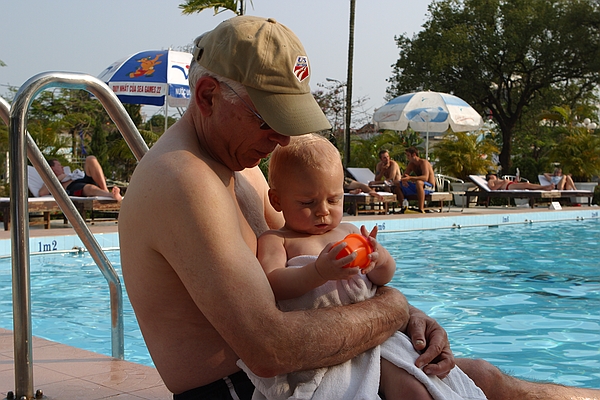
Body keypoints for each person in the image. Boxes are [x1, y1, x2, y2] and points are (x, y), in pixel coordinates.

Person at [118, 15, 600, 400]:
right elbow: (269, 348)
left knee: (484, 380)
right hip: (248, 389)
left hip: (306, 373)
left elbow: (306, 257)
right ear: (207, 96)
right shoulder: (182, 178)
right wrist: (392, 308)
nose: (283, 138)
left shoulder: (239, 162)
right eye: (269, 119)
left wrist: (412, 316)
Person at [244, 133, 486, 400]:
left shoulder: (348, 231)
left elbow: (384, 278)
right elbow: (272, 284)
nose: (323, 211)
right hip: (324, 345)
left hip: (378, 339)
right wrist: (318, 272)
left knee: (416, 391)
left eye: (333, 200)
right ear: (277, 201)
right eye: (307, 203)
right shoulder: (277, 240)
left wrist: (379, 258)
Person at [38, 155, 122, 201]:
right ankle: (110, 195)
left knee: (91, 159)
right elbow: (42, 193)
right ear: (52, 168)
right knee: (89, 187)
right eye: (59, 165)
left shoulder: (68, 174)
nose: (62, 167)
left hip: (81, 179)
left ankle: (105, 189)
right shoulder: (49, 180)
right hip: (72, 187)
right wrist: (58, 179)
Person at [396, 147, 436, 211]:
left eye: (408, 155)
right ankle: (404, 207)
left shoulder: (423, 162)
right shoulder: (411, 164)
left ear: (414, 155)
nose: (407, 157)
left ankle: (421, 208)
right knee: (398, 184)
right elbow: (404, 176)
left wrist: (410, 178)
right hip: (419, 186)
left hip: (429, 186)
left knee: (419, 182)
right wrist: (403, 180)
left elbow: (425, 177)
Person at [486, 174, 553, 191]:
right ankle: (546, 187)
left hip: (511, 184)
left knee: (527, 185)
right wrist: (503, 182)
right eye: (492, 175)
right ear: (490, 176)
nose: (494, 175)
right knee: (526, 185)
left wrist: (515, 180)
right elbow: (492, 188)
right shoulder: (491, 181)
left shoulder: (497, 179)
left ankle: (545, 187)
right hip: (508, 186)